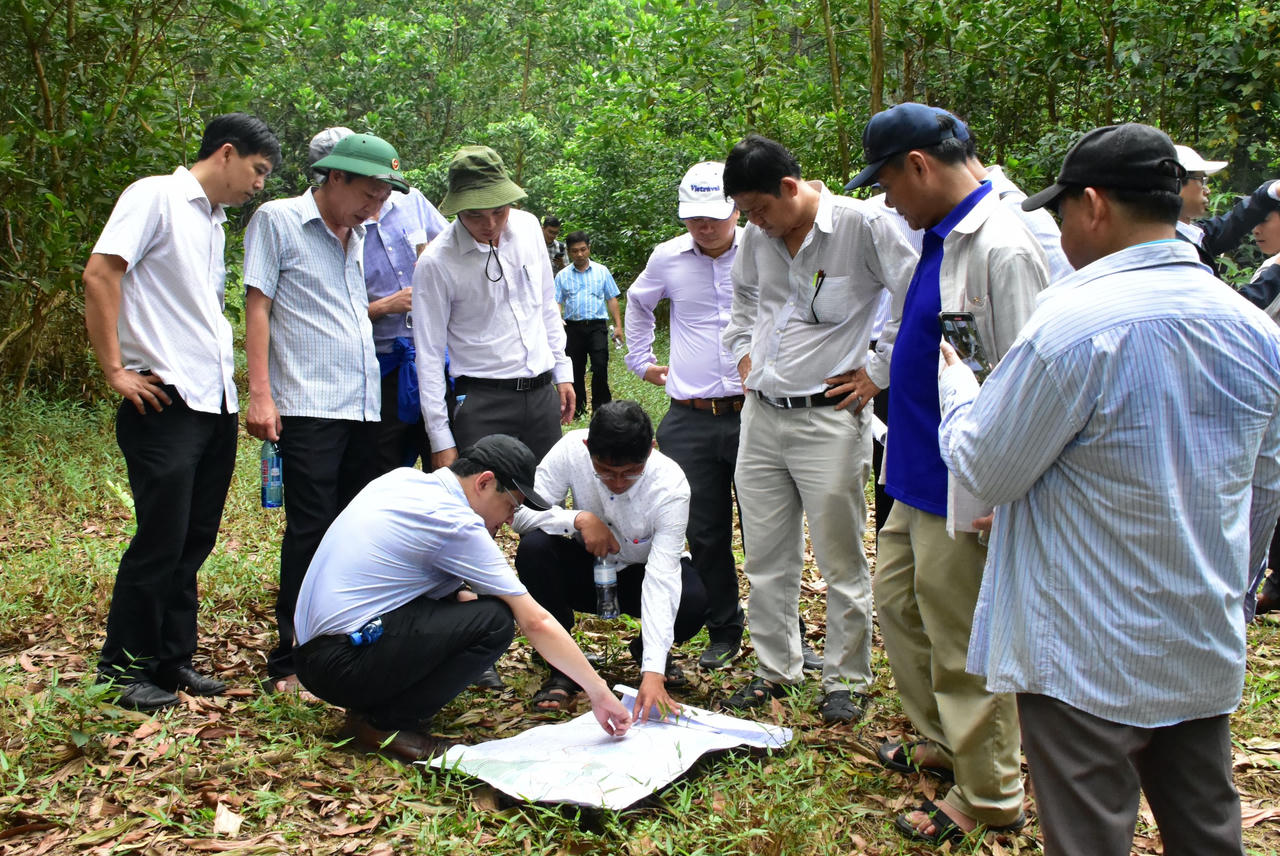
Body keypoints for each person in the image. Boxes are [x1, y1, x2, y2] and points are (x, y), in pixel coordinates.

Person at [939, 122, 1280, 856]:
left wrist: (959, 390)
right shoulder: (1253, 328)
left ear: (1092, 205)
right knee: (1207, 826)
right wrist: (1232, 587)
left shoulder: (1072, 328)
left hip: (1085, 652)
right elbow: (1267, 484)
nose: (1061, 230)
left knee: (1089, 835)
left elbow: (985, 468)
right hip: (1199, 637)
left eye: (1062, 214)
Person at [845, 102, 1048, 844]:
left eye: (888, 182)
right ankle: (942, 738)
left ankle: (990, 793)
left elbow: (1027, 381)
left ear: (920, 165)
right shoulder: (939, 236)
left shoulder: (1002, 244)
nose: (886, 198)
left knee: (964, 638)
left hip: (966, 482)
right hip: (915, 467)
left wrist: (1004, 485)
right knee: (899, 607)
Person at [718, 134, 917, 723]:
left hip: (829, 416)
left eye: (759, 209)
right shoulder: (758, 237)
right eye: (746, 215)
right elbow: (745, 303)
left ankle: (845, 678)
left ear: (789, 188)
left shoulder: (863, 227)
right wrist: (742, 354)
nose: (755, 224)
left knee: (840, 556)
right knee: (766, 555)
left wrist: (878, 372)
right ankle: (776, 669)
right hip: (762, 415)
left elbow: (914, 301)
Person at [85, 113, 279, 712]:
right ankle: (122, 670)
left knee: (193, 539)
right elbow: (101, 274)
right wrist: (116, 370)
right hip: (164, 398)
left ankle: (171, 660)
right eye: (258, 170)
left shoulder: (214, 222)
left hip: (210, 400)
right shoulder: (157, 195)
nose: (259, 185)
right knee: (160, 539)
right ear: (226, 153)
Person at [293, 435, 633, 761]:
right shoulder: (455, 522)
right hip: (340, 662)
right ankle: (383, 724)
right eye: (511, 505)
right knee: (495, 621)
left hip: (315, 653)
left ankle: (376, 704)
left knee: (466, 601)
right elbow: (536, 620)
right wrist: (599, 692)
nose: (510, 519)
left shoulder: (403, 481)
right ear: (484, 482)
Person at [244, 132, 409, 697]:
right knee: (311, 527)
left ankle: (348, 636)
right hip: (308, 402)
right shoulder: (279, 220)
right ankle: (292, 656)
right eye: (368, 193)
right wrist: (260, 393)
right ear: (333, 177)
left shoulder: (357, 233)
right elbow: (258, 305)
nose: (375, 207)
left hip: (365, 401)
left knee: (358, 526)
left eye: (384, 196)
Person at [624, 161, 749, 670]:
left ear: (735, 209)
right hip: (690, 416)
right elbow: (637, 303)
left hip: (754, 412)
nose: (704, 227)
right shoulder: (667, 258)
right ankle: (724, 629)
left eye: (714, 217)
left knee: (768, 528)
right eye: (694, 217)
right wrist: (639, 361)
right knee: (705, 530)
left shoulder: (762, 249)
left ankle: (783, 633)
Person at [512, 401, 708, 723]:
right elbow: (521, 514)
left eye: (630, 473)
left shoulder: (671, 485)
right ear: (588, 447)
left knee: (692, 602)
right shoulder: (570, 450)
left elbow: (662, 577)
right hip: (586, 570)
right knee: (535, 550)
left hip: (639, 576)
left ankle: (648, 652)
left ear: (651, 449)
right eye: (605, 472)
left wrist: (653, 671)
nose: (617, 482)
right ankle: (562, 667)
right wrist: (578, 519)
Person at [412, 146, 574, 472]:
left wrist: (563, 372)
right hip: (482, 401)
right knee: (477, 513)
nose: (490, 224)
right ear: (457, 209)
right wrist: (440, 438)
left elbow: (545, 306)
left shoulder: (528, 229)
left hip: (541, 394)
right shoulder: (436, 262)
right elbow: (428, 355)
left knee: (546, 506)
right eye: (475, 214)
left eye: (499, 212)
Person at [307, 127, 449, 474]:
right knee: (382, 463)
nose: (373, 203)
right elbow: (331, 314)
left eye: (379, 192)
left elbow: (449, 244)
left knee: (443, 456)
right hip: (380, 363)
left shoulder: (409, 200)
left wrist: (433, 261)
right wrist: (387, 305)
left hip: (431, 353)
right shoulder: (329, 226)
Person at [1173, 144, 1279, 271]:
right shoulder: (1175, 250)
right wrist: (1275, 269)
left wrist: (1273, 191)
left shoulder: (1193, 235)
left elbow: (1236, 222)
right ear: (1175, 184)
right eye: (1201, 180)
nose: (1207, 190)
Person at [555, 231, 623, 418]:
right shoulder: (562, 276)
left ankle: (601, 409)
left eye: (583, 250)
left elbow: (611, 299)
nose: (579, 254)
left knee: (600, 366)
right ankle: (577, 410)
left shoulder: (602, 271)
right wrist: (557, 318)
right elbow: (557, 301)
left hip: (597, 326)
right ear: (568, 252)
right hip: (573, 328)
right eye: (575, 251)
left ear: (589, 248)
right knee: (575, 369)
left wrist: (618, 326)